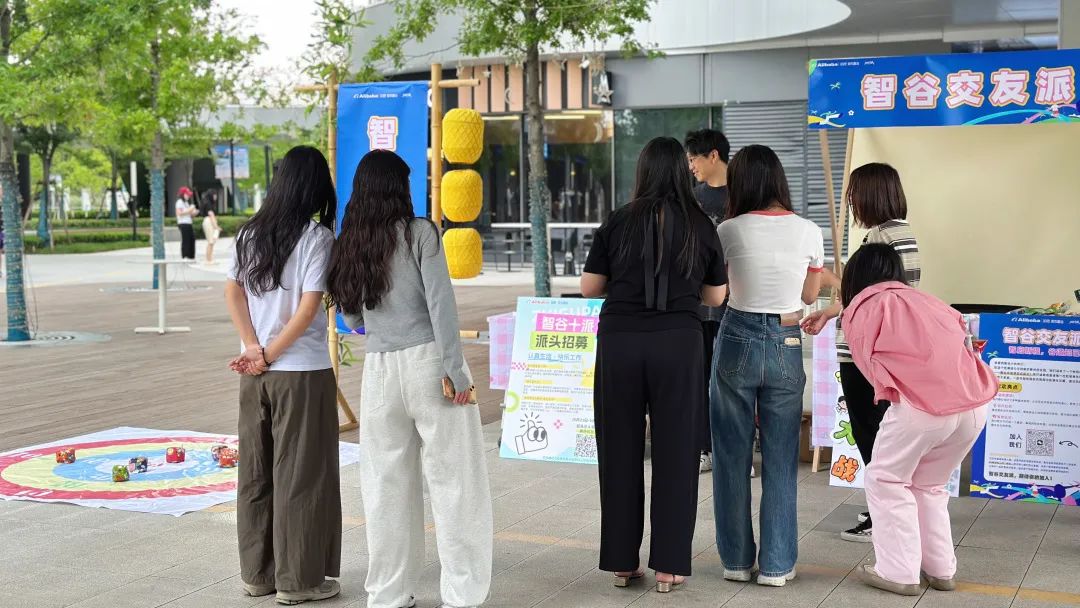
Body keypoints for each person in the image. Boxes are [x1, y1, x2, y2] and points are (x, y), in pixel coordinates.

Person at [326, 150, 492, 608]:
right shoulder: (420, 232)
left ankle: (389, 594)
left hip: (380, 370)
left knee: (385, 486)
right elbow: (441, 304)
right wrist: (456, 370)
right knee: (455, 481)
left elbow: (351, 318)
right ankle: (461, 595)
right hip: (430, 363)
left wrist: (381, 323)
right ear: (399, 187)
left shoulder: (351, 242)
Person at [581, 136, 727, 593]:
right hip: (678, 344)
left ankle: (623, 561)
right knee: (678, 452)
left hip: (620, 342)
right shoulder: (700, 224)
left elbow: (589, 287)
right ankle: (669, 565)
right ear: (682, 172)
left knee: (619, 450)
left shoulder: (618, 220)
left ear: (642, 171)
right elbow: (715, 296)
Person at [840, 244, 997, 596]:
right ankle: (941, 570)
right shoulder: (930, 301)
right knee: (929, 485)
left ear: (855, 277)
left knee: (885, 479)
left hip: (923, 405)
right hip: (973, 405)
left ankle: (898, 572)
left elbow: (871, 369)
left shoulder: (863, 307)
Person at [224, 145, 342, 605]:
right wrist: (269, 354)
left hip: (253, 373)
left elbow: (233, 293)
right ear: (315, 187)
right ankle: (299, 582)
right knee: (302, 475)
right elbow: (309, 308)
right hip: (301, 373)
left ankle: (258, 576)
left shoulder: (249, 233)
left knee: (256, 472)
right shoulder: (317, 238)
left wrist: (253, 349)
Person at [711, 144, 823, 587]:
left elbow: (717, 294)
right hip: (786, 338)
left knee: (731, 455)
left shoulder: (727, 230)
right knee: (780, 458)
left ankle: (736, 562)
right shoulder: (809, 230)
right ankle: (776, 566)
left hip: (736, 335)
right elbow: (810, 296)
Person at [801, 162, 921, 543]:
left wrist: (833, 285)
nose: (851, 201)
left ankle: (884, 516)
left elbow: (875, 297)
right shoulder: (897, 233)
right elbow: (869, 294)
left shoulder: (884, 237)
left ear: (871, 194)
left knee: (872, 433)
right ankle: (885, 509)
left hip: (866, 354)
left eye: (854, 193)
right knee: (878, 432)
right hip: (877, 351)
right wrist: (828, 312)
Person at [685, 128, 730, 475]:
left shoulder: (743, 196)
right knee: (698, 378)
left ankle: (732, 450)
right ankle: (704, 448)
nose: (691, 166)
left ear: (713, 155)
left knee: (730, 379)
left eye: (694, 159)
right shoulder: (691, 198)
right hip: (697, 306)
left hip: (736, 304)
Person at [175, 187, 198, 260]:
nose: (188, 196)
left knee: (192, 239)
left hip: (189, 223)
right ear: (183, 194)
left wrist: (194, 213)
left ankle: (191, 256)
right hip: (183, 223)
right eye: (187, 194)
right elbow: (179, 213)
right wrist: (190, 209)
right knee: (186, 240)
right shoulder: (179, 202)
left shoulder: (186, 203)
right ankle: (185, 256)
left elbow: (189, 214)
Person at [201, 191, 222, 264]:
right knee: (211, 242)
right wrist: (216, 226)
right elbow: (211, 215)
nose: (215, 197)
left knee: (211, 242)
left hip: (208, 221)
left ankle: (210, 259)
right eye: (214, 195)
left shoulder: (207, 203)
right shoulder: (208, 204)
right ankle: (208, 260)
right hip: (209, 222)